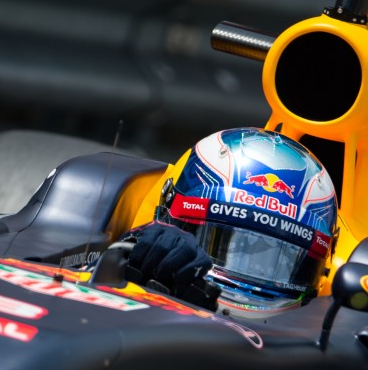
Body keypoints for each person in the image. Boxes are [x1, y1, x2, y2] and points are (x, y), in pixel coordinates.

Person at [121, 127, 339, 318]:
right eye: (222, 244)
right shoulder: (127, 267)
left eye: (275, 260)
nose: (240, 290)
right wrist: (122, 262)